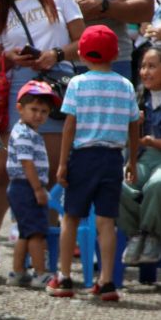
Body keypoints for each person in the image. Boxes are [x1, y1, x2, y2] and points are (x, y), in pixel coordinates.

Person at [0, 0, 85, 270]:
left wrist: (54, 54)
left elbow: (82, 40)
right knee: (3, 171)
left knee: (53, 172)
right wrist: (11, 59)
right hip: (18, 88)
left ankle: (49, 250)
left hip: (57, 83)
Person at [48, 25, 140, 301]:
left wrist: (63, 163)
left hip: (83, 157)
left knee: (71, 217)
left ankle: (64, 278)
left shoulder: (77, 83)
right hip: (112, 158)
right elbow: (135, 124)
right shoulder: (125, 85)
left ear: (82, 53)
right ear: (114, 53)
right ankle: (107, 281)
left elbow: (69, 127)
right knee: (106, 222)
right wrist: (132, 160)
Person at [6, 80, 57, 288]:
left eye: (44, 111)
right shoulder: (24, 133)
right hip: (27, 187)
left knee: (26, 232)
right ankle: (40, 273)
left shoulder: (28, 132)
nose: (38, 115)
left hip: (23, 187)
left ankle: (18, 272)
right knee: (36, 232)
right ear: (20, 108)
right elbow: (27, 163)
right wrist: (38, 189)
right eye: (33, 109)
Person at [121, 46, 161, 265]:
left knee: (157, 184)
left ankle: (151, 235)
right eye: (143, 66)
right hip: (144, 157)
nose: (145, 71)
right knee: (121, 184)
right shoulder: (138, 97)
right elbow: (128, 142)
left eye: (152, 66)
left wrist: (150, 141)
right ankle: (136, 235)